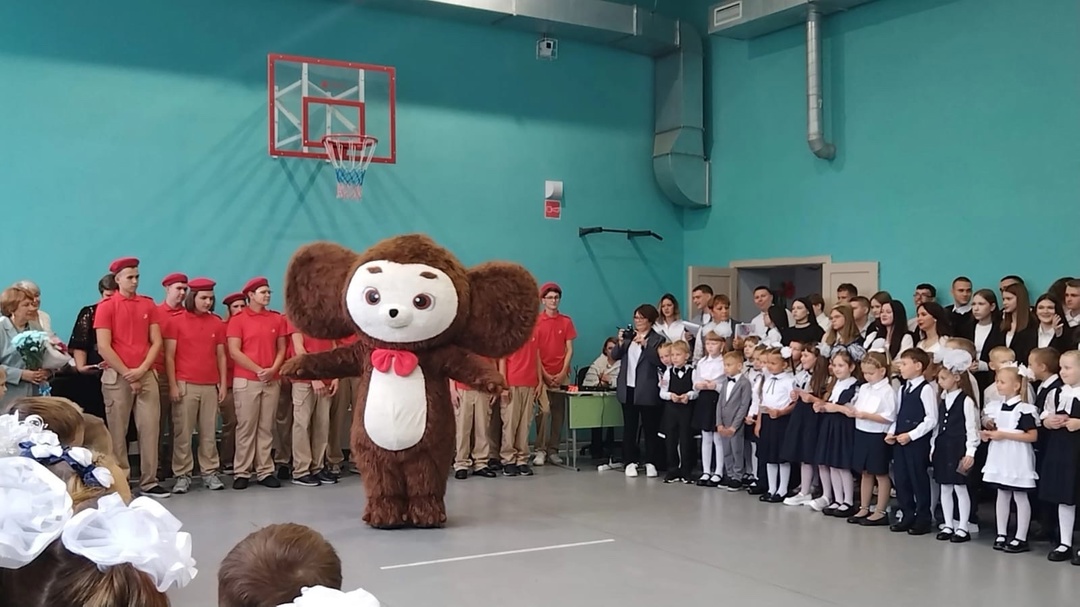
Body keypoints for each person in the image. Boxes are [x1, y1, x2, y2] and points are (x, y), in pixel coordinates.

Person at [93, 257, 170, 498]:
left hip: (146, 374)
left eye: (137, 277)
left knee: (150, 428)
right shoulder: (106, 307)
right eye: (130, 277)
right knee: (118, 432)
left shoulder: (147, 304)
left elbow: (156, 341)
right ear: (117, 279)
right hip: (117, 377)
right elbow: (104, 346)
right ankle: (121, 480)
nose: (135, 281)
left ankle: (149, 480)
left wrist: (143, 369)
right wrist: (128, 373)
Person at [164, 278, 227, 493]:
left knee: (209, 433)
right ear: (193, 298)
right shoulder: (176, 321)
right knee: (183, 433)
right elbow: (169, 356)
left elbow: (221, 356)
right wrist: (173, 385)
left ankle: (210, 472)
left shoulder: (217, 323)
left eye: (210, 298)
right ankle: (182, 474)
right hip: (186, 384)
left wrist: (223, 384)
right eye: (203, 298)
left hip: (210, 385)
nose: (208, 302)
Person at [227, 277, 287, 490]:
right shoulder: (238, 320)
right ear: (251, 295)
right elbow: (234, 351)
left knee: (266, 427)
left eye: (269, 292)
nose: (267, 295)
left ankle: (265, 471)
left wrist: (272, 370)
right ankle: (242, 471)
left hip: (271, 380)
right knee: (246, 426)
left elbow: (281, 348)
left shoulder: (276, 319)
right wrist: (258, 370)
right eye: (263, 292)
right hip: (247, 380)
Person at [982, 364, 1040, 553]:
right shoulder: (996, 407)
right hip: (1001, 454)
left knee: (1020, 495)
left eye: (1002, 382)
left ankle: (1021, 536)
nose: (998, 385)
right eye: (997, 381)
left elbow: (1032, 436)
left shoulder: (1024, 409)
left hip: (1017, 455)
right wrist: (989, 434)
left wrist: (1004, 435)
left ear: (1016, 386)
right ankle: (1001, 532)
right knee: (1002, 493)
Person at [931, 347, 979, 543]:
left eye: (943, 378)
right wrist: (933, 447)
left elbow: (971, 428)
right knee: (945, 487)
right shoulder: (943, 399)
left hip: (958, 448)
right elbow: (938, 426)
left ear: (957, 378)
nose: (940, 382)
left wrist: (970, 452)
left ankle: (963, 526)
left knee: (960, 487)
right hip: (943, 448)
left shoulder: (966, 401)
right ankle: (948, 523)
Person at [886, 348, 937, 535]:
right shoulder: (902, 389)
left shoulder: (926, 390)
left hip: (916, 442)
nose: (901, 367)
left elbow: (931, 419)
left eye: (904, 364)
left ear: (918, 366)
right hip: (900, 440)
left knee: (918, 479)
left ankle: (923, 518)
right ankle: (907, 514)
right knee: (901, 479)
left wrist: (911, 435)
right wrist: (892, 432)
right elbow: (898, 414)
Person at [613, 304, 665, 479]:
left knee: (650, 427)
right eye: (636, 317)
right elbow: (614, 355)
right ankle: (629, 461)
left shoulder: (658, 339)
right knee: (630, 427)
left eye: (642, 318)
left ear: (650, 320)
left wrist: (645, 345)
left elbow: (659, 361)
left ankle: (651, 461)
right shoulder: (629, 337)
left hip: (647, 389)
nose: (638, 321)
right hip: (628, 387)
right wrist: (621, 342)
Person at [1039, 350, 1080, 564]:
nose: (1062, 372)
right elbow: (1045, 415)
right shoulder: (1056, 393)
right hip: (1061, 449)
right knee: (1064, 496)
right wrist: (1049, 422)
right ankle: (1064, 542)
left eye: (1068, 368)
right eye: (1061, 367)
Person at [848, 350, 897, 526]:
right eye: (865, 373)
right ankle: (864, 507)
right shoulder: (864, 388)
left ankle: (880, 510)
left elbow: (890, 416)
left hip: (877, 434)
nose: (867, 376)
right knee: (865, 472)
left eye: (871, 373)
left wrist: (867, 416)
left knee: (880, 473)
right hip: (862, 431)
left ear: (882, 371)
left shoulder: (887, 391)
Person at [533, 282, 576, 467]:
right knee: (544, 411)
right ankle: (540, 449)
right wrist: (543, 374)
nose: (553, 301)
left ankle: (554, 450)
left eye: (556, 297)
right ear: (543, 300)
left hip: (561, 374)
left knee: (559, 413)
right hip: (541, 374)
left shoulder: (566, 321)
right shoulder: (536, 322)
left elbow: (569, 349)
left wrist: (562, 372)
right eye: (550, 297)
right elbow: (534, 351)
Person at [754, 346, 796, 503]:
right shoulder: (767, 380)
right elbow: (762, 402)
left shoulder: (789, 381)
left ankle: (782, 489)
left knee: (781, 456)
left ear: (784, 364)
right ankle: (771, 488)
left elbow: (794, 403)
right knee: (768, 455)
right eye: (768, 363)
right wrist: (759, 422)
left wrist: (781, 412)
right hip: (767, 419)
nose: (769, 366)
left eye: (773, 363)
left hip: (781, 420)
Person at [692, 332, 726, 486]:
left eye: (714, 343)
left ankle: (718, 471)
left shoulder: (724, 361)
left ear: (722, 345)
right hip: (704, 399)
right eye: (708, 344)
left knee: (718, 437)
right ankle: (706, 471)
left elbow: (727, 383)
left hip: (717, 399)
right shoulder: (702, 362)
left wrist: (715, 386)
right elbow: (696, 381)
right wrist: (698, 385)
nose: (710, 347)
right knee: (706, 436)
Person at [660, 341, 696, 484]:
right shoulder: (668, 372)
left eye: (678, 355)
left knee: (686, 439)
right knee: (671, 440)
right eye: (673, 355)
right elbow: (662, 392)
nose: (674, 358)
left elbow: (696, 390)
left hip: (686, 409)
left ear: (686, 356)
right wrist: (671, 396)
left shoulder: (693, 372)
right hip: (671, 409)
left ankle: (686, 470)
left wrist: (689, 396)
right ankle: (672, 470)